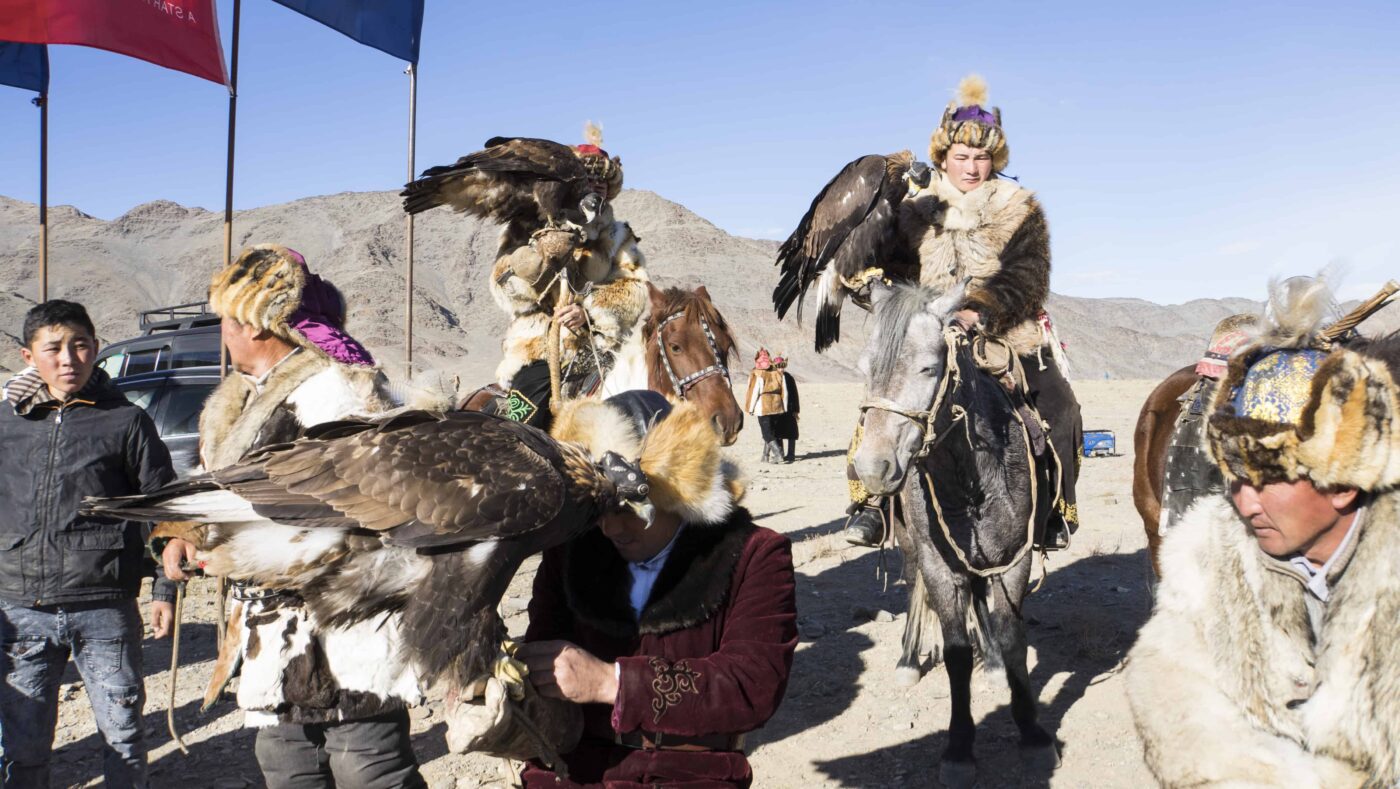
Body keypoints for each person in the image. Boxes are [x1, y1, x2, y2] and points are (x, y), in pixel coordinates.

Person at [160, 245, 426, 788]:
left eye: (228, 320)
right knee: (288, 767)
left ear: (256, 325)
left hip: (344, 618)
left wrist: (241, 553)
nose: (223, 332)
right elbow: (223, 489)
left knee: (369, 767)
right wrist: (187, 534)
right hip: (274, 634)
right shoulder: (237, 400)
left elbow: (364, 513)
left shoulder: (331, 392)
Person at [1126, 279, 1400, 786]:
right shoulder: (1205, 570)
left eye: (1269, 480)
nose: (1241, 501)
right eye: (1236, 477)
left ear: (1340, 484)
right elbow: (1179, 704)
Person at [449, 391, 798, 787]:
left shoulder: (755, 555)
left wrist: (609, 682)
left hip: (693, 773)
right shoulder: (572, 551)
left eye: (626, 510)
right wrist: (503, 680)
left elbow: (752, 686)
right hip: (573, 769)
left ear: (677, 491)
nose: (610, 528)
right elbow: (545, 646)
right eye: (598, 510)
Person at [842, 74, 1081, 549]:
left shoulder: (1019, 207)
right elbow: (892, 269)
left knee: (1061, 408)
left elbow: (1028, 276)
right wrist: (870, 287)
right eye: (962, 157)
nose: (971, 167)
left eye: (982, 157)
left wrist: (979, 314)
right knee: (885, 401)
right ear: (943, 157)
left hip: (1004, 333)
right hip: (925, 332)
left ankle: (1053, 510)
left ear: (995, 160)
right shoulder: (913, 208)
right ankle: (871, 504)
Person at [0, 300, 177, 788]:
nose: (68, 359)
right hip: (20, 609)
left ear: (96, 349)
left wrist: (164, 589)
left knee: (123, 735)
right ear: (28, 355)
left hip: (104, 606)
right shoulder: (6, 424)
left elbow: (164, 509)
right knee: (23, 743)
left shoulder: (125, 421)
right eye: (53, 348)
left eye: (80, 345)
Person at [486, 125, 650, 428]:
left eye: (603, 180)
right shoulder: (527, 226)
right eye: (590, 179)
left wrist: (587, 312)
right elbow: (502, 281)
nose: (597, 186)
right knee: (523, 421)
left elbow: (633, 288)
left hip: (599, 346)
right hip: (539, 346)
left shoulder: (618, 235)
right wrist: (536, 267)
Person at [744, 348, 790, 464]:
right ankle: (765, 456)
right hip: (777, 405)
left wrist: (750, 408)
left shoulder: (757, 373)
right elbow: (785, 391)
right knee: (771, 431)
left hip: (763, 406)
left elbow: (754, 391)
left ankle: (778, 454)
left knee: (767, 433)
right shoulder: (777, 373)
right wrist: (783, 407)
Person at [771, 355, 800, 463]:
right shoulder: (772, 377)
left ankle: (791, 454)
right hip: (776, 410)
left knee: (792, 432)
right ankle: (781, 454)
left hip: (789, 409)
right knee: (778, 432)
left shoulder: (789, 377)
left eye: (783, 367)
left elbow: (794, 394)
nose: (781, 369)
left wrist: (796, 410)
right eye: (779, 367)